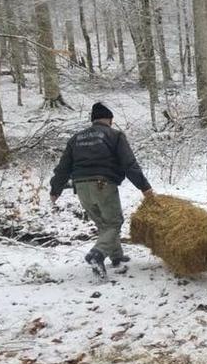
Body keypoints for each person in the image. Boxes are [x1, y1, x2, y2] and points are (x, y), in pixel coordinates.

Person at [50, 102, 153, 277]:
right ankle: (97, 254)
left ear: (93, 120)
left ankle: (117, 257)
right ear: (109, 119)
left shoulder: (76, 138)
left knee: (104, 224)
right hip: (102, 184)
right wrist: (144, 187)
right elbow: (129, 164)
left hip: (80, 186)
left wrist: (55, 189)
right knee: (114, 222)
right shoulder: (115, 135)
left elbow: (63, 167)